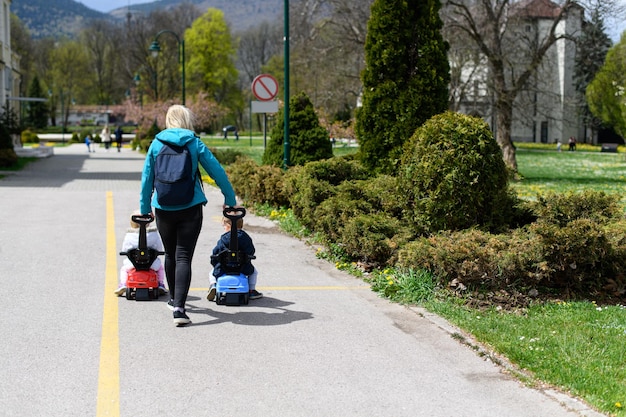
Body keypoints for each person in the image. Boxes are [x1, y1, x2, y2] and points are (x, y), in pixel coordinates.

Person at [140, 104, 237, 327]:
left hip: (163, 207)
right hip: (190, 207)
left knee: (171, 255)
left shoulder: (156, 143)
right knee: (184, 256)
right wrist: (229, 199)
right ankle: (179, 309)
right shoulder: (194, 142)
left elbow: (146, 178)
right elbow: (217, 170)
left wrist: (145, 207)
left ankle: (174, 298)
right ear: (186, 120)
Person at [207, 215, 262, 302]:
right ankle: (251, 290)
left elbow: (215, 252)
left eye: (223, 226)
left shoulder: (223, 239)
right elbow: (251, 251)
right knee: (254, 272)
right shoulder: (246, 238)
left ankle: (213, 285)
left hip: (223, 268)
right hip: (242, 268)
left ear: (228, 225)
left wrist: (215, 263)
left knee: (211, 272)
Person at [115, 211, 167, 296]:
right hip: (151, 263)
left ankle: (123, 283)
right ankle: (160, 283)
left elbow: (125, 249)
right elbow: (159, 248)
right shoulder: (153, 234)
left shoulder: (129, 235)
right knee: (160, 268)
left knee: (124, 269)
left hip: (133, 263)